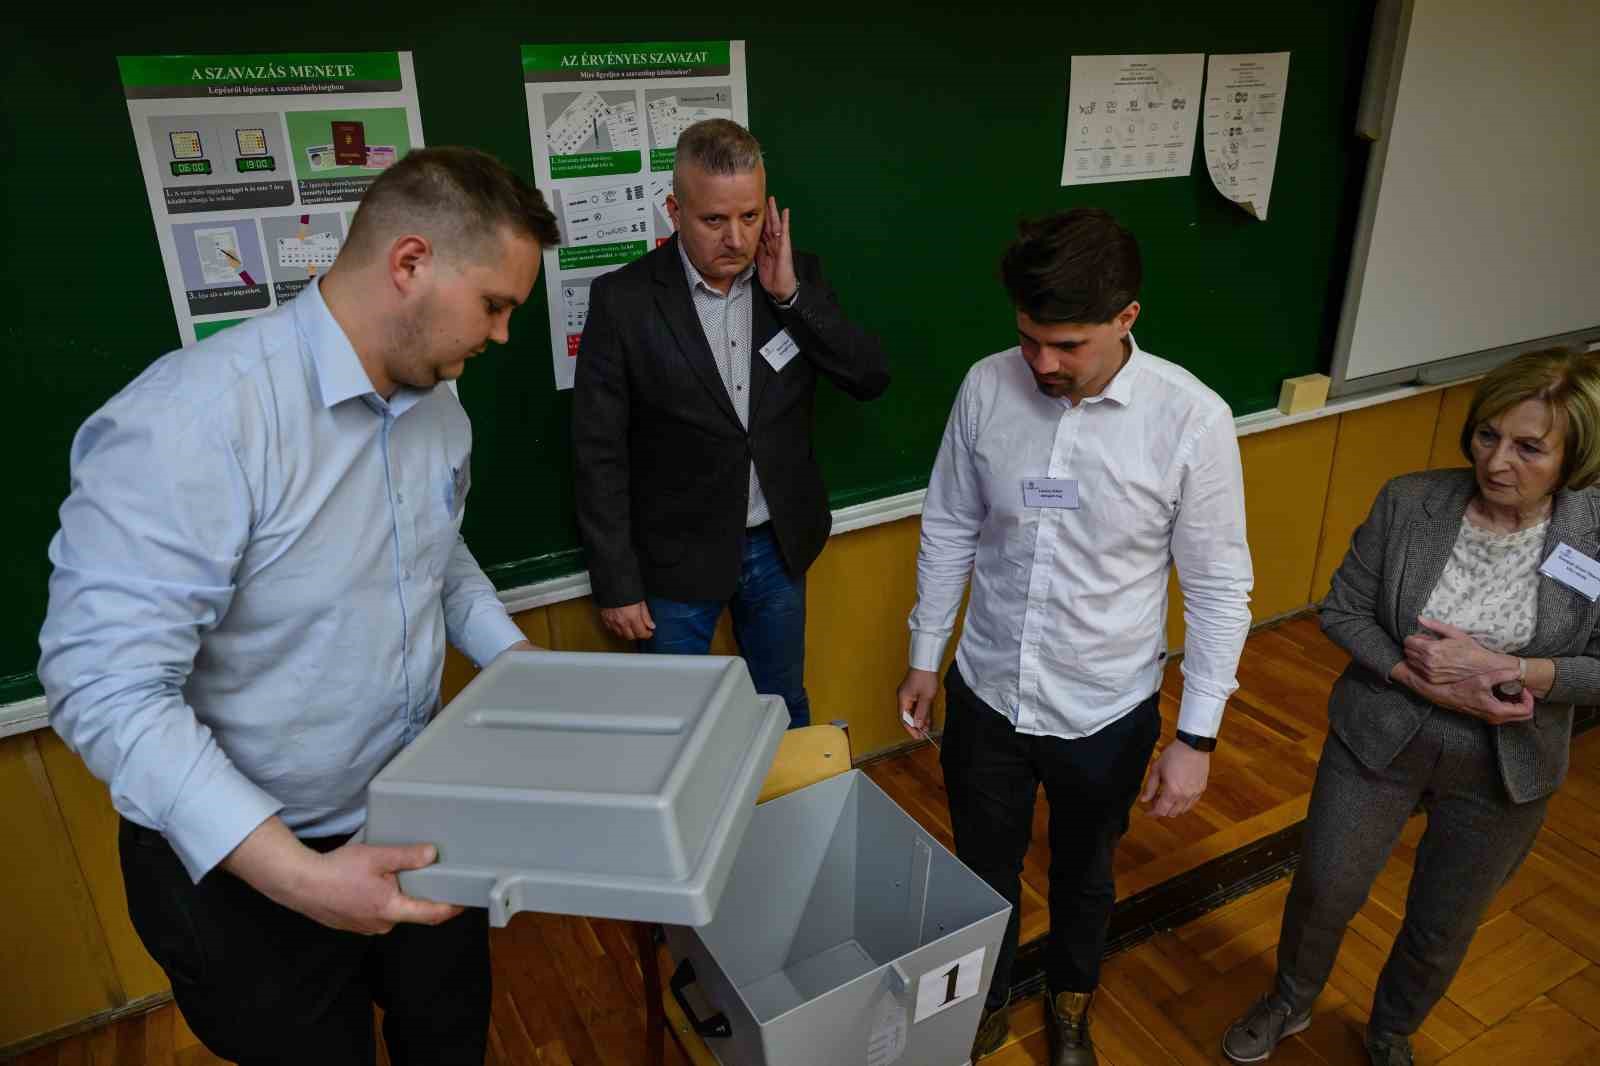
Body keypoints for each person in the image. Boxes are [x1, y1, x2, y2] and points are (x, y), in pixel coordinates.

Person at [38, 146, 560, 1066]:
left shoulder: (441, 408)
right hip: (248, 872)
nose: (505, 335)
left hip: (416, 815)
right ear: (410, 264)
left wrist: (516, 661)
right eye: (496, 305)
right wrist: (304, 879)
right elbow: (105, 687)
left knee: (448, 1039)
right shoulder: (194, 423)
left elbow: (438, 555)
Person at [897, 209, 1253, 1065]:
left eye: (1068, 345)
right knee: (981, 873)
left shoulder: (1191, 422)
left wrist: (1197, 736)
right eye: (1029, 340)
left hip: (1106, 707)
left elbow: (1217, 589)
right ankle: (985, 1001)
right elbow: (948, 526)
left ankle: (1068, 1004)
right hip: (987, 690)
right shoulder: (987, 388)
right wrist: (923, 655)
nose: (1043, 364)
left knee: (1084, 875)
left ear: (1127, 318)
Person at [1222, 347, 1600, 1066]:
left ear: (1575, 455)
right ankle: (1291, 1000)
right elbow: (1343, 611)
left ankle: (1392, 1029)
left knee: (1444, 920)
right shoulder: (1410, 500)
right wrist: (1408, 672)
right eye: (1488, 435)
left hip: (1505, 762)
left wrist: (1518, 668)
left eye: (1529, 448)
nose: (1497, 462)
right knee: (1326, 888)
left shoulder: (1596, 534)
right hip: (1383, 730)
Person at [573, 118, 888, 729]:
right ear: (674, 210)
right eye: (714, 220)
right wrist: (615, 580)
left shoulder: (797, 279)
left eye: (749, 216)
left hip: (776, 546)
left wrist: (792, 295)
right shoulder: (625, 300)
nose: (736, 238)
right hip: (672, 560)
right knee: (675, 725)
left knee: (783, 708)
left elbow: (868, 378)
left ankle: (788, 821)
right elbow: (597, 450)